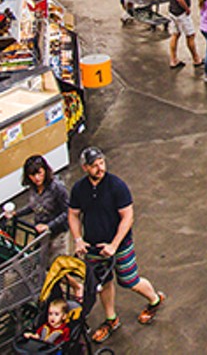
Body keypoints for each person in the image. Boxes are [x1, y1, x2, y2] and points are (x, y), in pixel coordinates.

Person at [67, 147, 164, 343]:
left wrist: (114, 244)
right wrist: (78, 239)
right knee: (103, 283)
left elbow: (127, 217)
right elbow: (73, 214)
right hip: (94, 246)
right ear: (85, 168)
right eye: (94, 165)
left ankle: (154, 300)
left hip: (119, 244)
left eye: (101, 163)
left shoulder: (116, 186)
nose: (99, 168)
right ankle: (111, 319)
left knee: (130, 281)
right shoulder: (79, 189)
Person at [14, 154, 70, 251]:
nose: (37, 178)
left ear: (45, 170)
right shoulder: (33, 187)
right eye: (32, 175)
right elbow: (34, 206)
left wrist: (48, 226)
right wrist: (17, 213)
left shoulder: (57, 187)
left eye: (39, 173)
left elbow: (67, 211)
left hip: (57, 233)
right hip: (41, 233)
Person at [165, 0, 201, 70]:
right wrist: (186, 8)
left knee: (175, 34)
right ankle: (196, 59)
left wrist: (171, 0)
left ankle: (173, 59)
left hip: (172, 11)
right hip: (181, 13)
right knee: (190, 35)